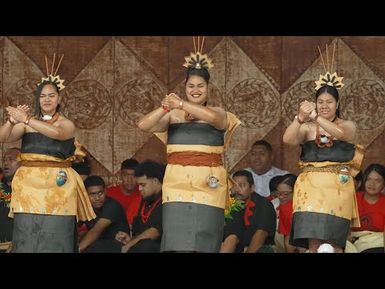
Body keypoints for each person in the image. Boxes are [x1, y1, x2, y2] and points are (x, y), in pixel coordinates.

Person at [137, 37, 241, 252]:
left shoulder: (219, 113)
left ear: (208, 88)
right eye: (191, 86)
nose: (196, 90)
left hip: (208, 182)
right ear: (184, 87)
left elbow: (214, 120)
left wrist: (182, 104)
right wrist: (165, 107)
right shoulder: (174, 114)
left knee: (205, 239)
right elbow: (143, 125)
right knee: (177, 239)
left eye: (200, 86)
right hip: (177, 184)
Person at [0, 54, 95, 252]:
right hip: (29, 187)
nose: (47, 99)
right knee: (27, 234)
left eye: (51, 95)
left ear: (59, 98)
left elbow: (57, 134)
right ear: (38, 99)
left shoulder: (65, 123)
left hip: (58, 186)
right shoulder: (28, 124)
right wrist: (11, 121)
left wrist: (26, 119)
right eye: (42, 96)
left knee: (56, 235)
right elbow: (4, 138)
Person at [283, 47, 364, 253]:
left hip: (337, 187)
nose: (324, 106)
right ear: (315, 103)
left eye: (329, 102)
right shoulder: (307, 128)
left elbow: (340, 133)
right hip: (310, 188)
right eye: (320, 102)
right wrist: (300, 118)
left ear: (337, 104)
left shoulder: (348, 125)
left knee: (334, 244)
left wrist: (315, 117)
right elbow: (288, 139)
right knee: (314, 245)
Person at [117, 160, 164, 253]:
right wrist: (130, 239)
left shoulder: (167, 200)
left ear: (155, 181)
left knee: (145, 246)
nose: (139, 189)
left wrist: (130, 244)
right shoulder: (146, 199)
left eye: (143, 185)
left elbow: (154, 232)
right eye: (139, 185)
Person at [79, 175, 129, 253]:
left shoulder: (112, 205)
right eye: (92, 194)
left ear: (105, 191)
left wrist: (77, 249)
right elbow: (73, 227)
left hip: (119, 245)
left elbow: (96, 231)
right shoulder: (85, 207)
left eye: (100, 193)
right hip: (98, 244)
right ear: (85, 195)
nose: (97, 198)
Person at [350, 164, 385, 253]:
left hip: (376, 242)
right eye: (369, 179)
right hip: (352, 241)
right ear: (364, 181)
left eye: (377, 181)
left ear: (383, 184)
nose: (372, 184)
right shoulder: (353, 199)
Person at [0, 148, 21, 252]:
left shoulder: (30, 190)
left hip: (21, 246)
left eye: (11, 159)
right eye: (4, 160)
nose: (5, 163)